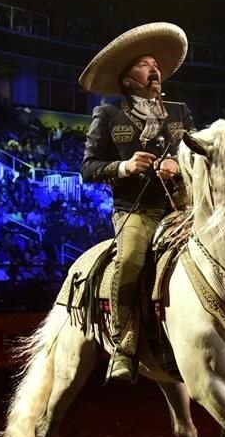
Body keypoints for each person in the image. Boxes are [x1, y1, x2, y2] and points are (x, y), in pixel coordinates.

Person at [79, 22, 195, 382]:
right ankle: (123, 344)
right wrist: (125, 166)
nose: (154, 68)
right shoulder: (108, 114)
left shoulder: (180, 112)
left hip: (181, 207)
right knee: (130, 258)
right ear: (128, 79)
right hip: (135, 210)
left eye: (155, 64)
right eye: (144, 65)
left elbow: (197, 155)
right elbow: (88, 168)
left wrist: (182, 165)